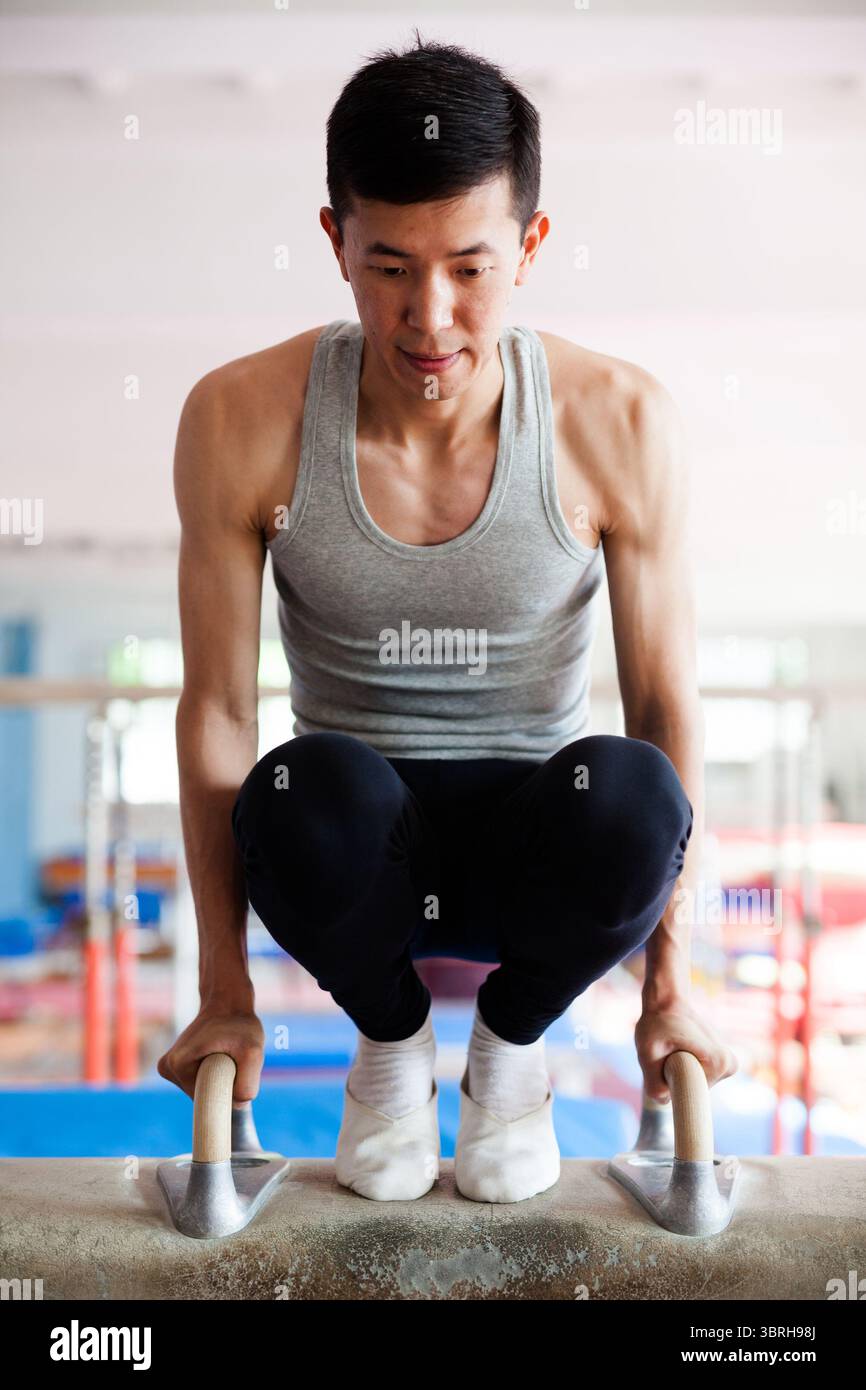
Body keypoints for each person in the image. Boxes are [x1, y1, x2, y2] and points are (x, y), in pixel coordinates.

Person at [157, 31, 737, 1204]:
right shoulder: (241, 418)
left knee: (630, 789)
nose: (429, 317)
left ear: (528, 244)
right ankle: (390, 1045)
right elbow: (218, 708)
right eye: (387, 266)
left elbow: (665, 702)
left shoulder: (616, 419)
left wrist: (672, 980)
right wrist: (222, 986)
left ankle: (508, 1055)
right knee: (297, 785)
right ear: (334, 242)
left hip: (545, 846)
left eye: (469, 267)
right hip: (357, 857)